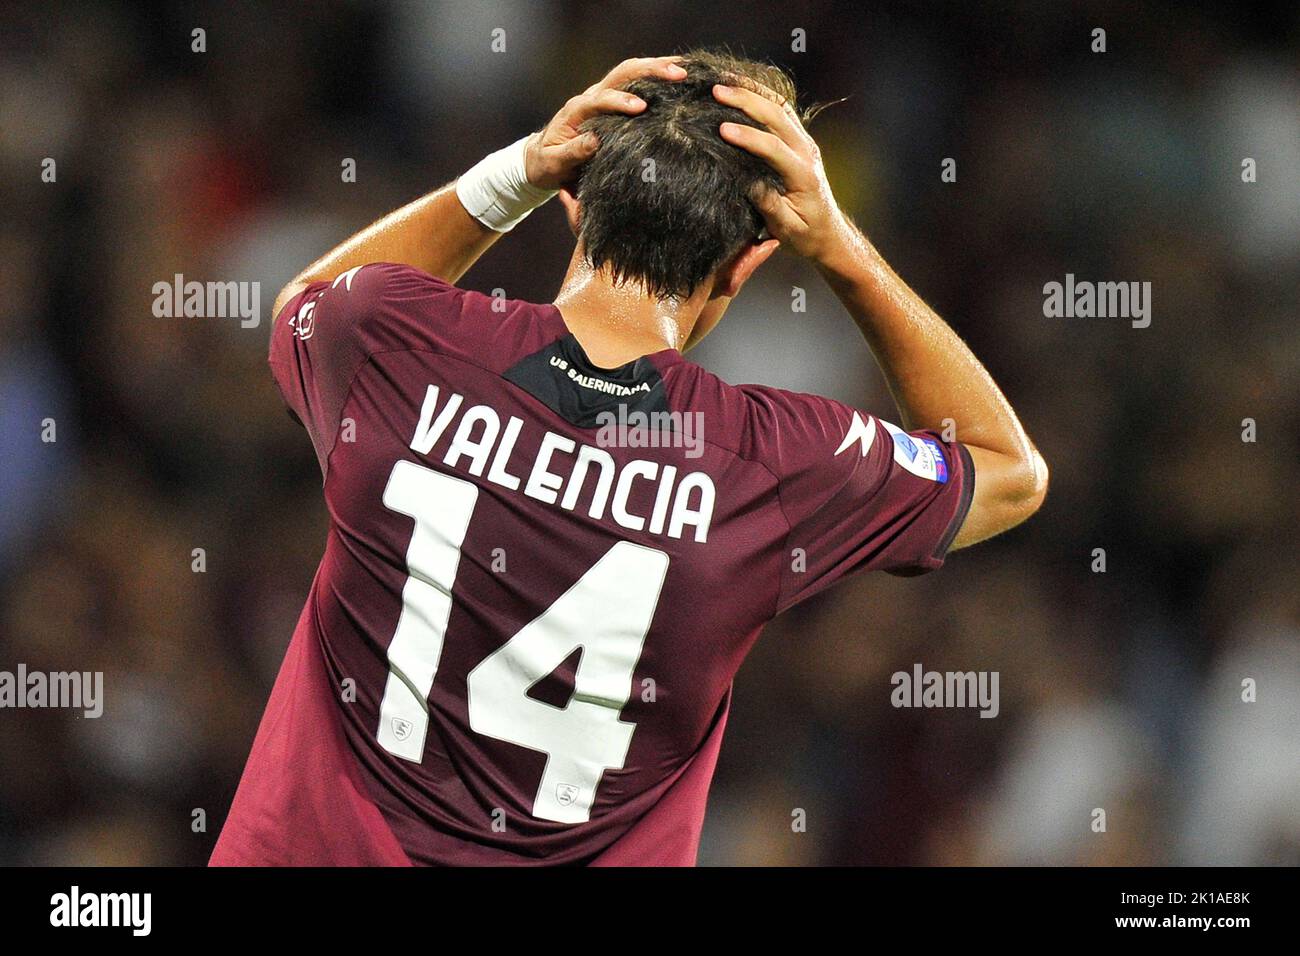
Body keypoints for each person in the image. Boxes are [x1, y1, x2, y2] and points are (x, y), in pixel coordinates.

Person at [211, 50, 1047, 866]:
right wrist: (839, 247)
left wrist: (519, 172)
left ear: (575, 204)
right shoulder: (769, 464)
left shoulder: (390, 338)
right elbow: (1007, 472)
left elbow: (304, 303)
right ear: (751, 259)